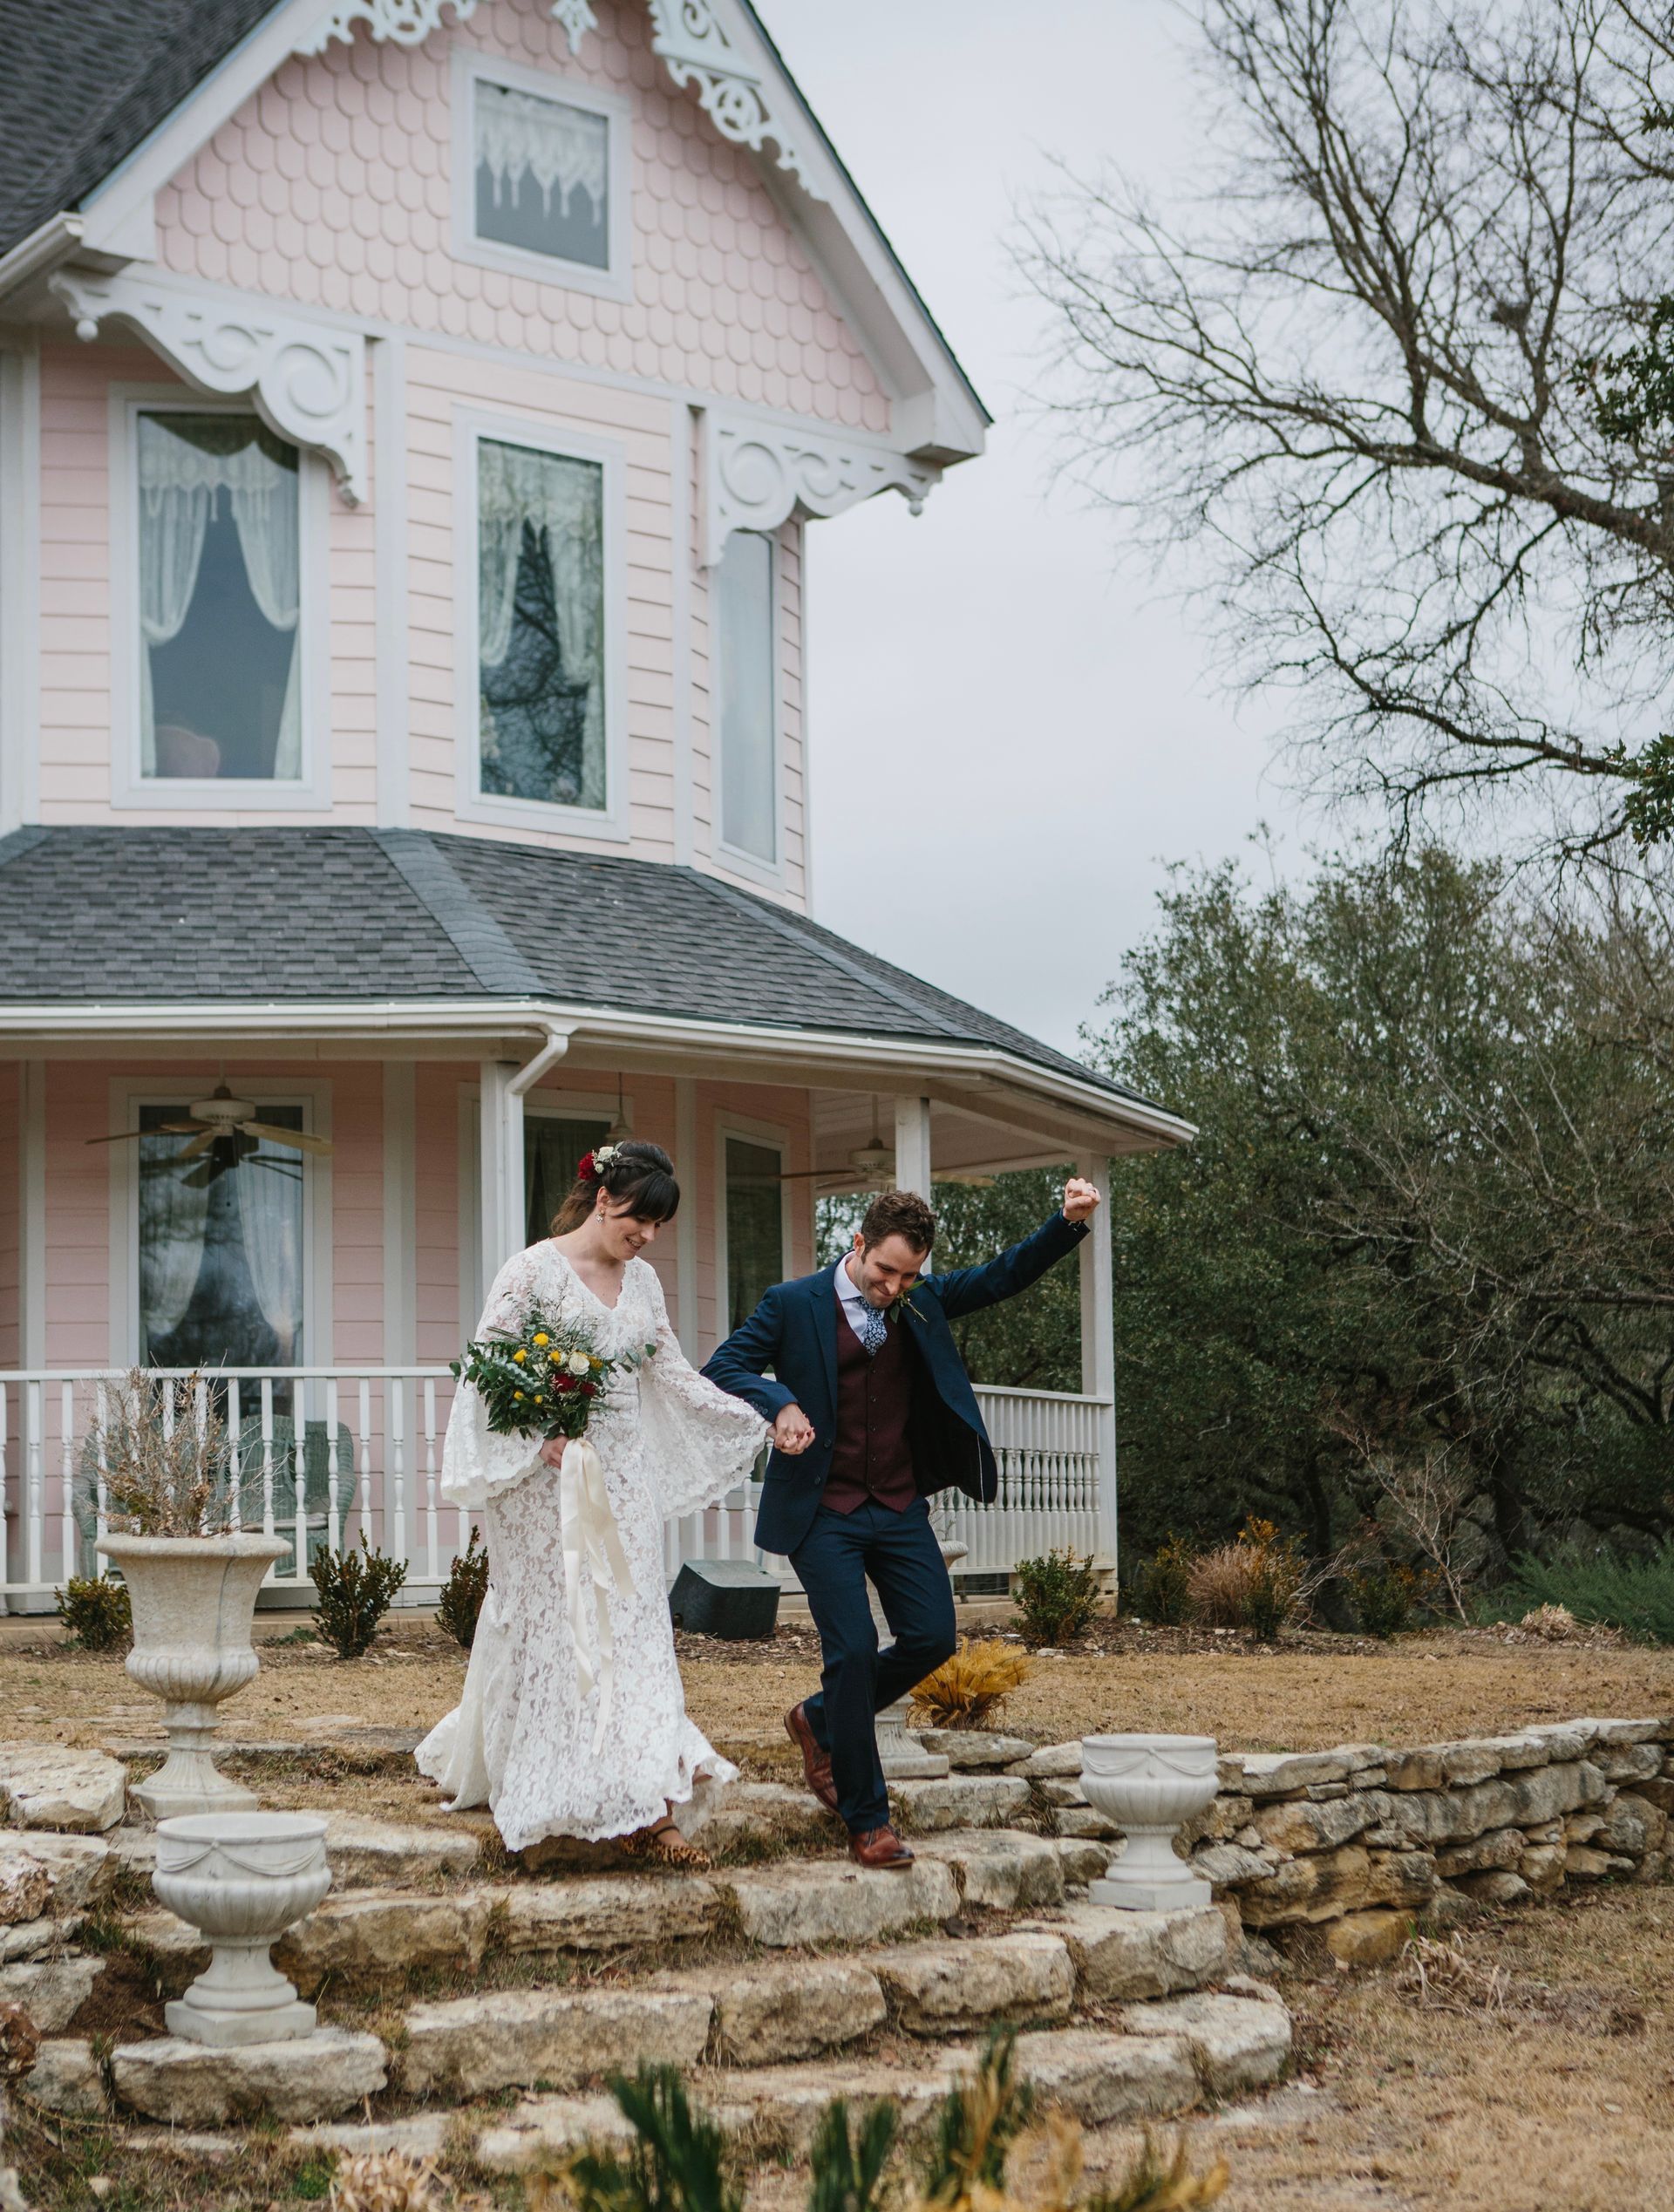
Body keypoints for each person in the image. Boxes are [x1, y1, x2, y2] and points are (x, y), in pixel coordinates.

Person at [703, 1178, 1102, 1868]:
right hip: (822, 1509)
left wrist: (1066, 1223)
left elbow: (1004, 1276)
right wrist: (781, 1403)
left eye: (909, 1274)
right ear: (857, 1244)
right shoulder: (792, 1303)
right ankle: (868, 1819)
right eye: (885, 1270)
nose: (894, 1286)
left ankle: (821, 1718)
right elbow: (725, 1364)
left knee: (932, 1636)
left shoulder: (921, 1301)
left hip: (896, 1501)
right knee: (852, 1651)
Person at [416, 1140, 768, 1866]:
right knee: (564, 1626)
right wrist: (543, 1432)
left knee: (635, 1627)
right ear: (604, 1198)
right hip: (543, 1485)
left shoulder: (644, 1285)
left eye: (657, 1227)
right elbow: (489, 1372)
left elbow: (671, 1371)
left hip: (623, 1479)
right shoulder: (532, 1270)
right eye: (639, 1219)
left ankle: (647, 1799)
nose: (645, 1236)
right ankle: (562, 1781)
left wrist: (755, 1418)